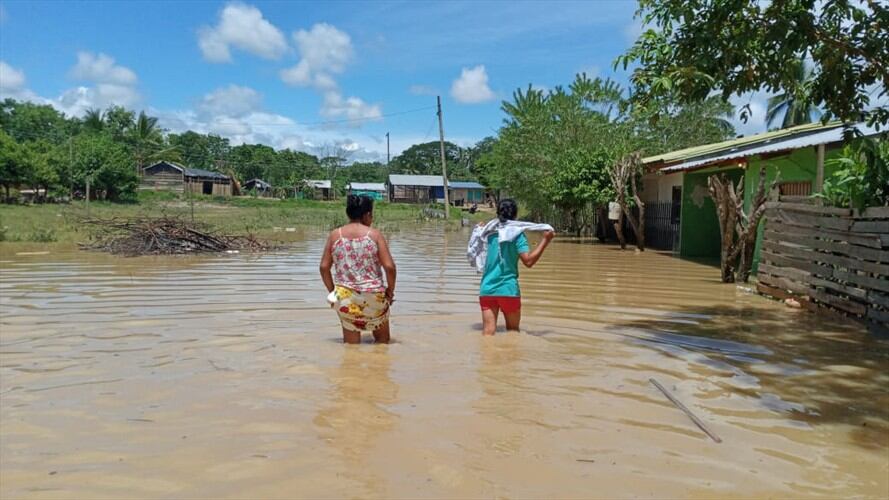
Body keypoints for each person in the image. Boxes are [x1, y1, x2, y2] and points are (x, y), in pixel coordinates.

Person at [468, 199, 554, 336]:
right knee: (513, 334)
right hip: (508, 289)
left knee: (488, 335)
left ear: (498, 213)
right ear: (515, 215)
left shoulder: (487, 233)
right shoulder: (517, 235)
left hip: (487, 289)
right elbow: (528, 262)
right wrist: (545, 240)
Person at [320, 195, 396, 344]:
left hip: (345, 296)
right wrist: (390, 291)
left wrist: (333, 292)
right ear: (367, 215)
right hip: (374, 295)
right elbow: (390, 267)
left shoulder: (335, 235)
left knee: (351, 346)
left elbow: (324, 267)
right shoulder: (375, 235)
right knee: (383, 343)